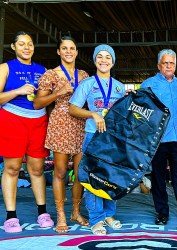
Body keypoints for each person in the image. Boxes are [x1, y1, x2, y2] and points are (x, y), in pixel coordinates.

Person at [34, 36, 89, 233]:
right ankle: (61, 214)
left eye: (72, 48)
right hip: (60, 124)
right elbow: (38, 103)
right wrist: (59, 92)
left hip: (81, 124)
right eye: (64, 48)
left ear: (76, 52)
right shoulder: (51, 74)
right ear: (58, 51)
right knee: (60, 172)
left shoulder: (83, 74)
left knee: (80, 174)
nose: (68, 51)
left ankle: (75, 211)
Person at [0, 31, 54, 233]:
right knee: (12, 168)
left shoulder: (43, 70)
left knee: (38, 169)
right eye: (21, 44)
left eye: (29, 44)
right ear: (13, 47)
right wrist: (17, 91)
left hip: (38, 121)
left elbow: (49, 100)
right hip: (12, 119)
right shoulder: (5, 68)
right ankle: (11, 216)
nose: (26, 47)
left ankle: (42, 212)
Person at [69, 44, 126, 235]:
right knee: (93, 178)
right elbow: (73, 108)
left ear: (113, 61)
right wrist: (93, 114)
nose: (104, 60)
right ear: (95, 60)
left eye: (108, 57)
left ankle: (109, 214)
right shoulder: (88, 84)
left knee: (112, 178)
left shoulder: (119, 86)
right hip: (93, 136)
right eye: (100, 57)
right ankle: (96, 219)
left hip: (113, 138)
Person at [140, 49, 177, 225]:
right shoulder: (148, 84)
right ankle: (162, 212)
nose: (168, 66)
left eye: (171, 63)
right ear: (158, 65)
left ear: (175, 65)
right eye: (165, 63)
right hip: (157, 139)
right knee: (158, 177)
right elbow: (140, 111)